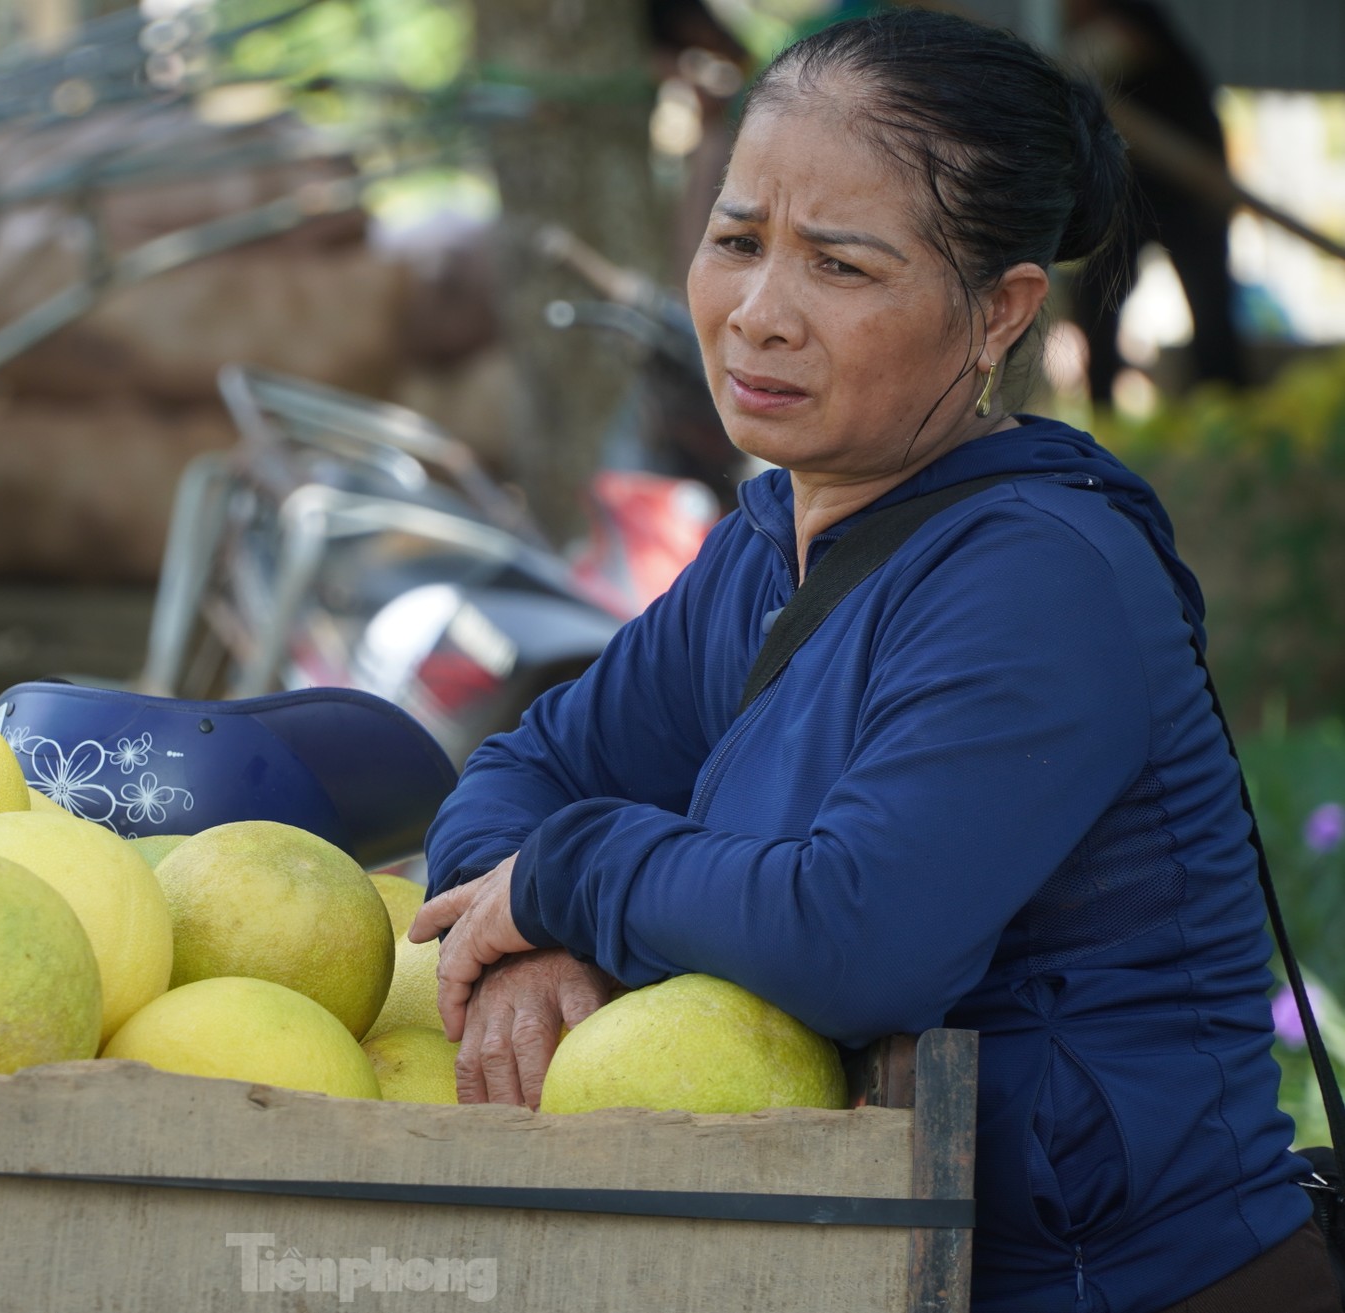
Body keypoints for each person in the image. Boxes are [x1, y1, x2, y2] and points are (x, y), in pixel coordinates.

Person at [412, 11, 1333, 1311]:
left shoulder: (1042, 578)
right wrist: (527, 951)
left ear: (998, 312)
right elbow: (522, 771)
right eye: (737, 242)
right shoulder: (766, 549)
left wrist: (566, 878)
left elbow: (859, 936)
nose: (757, 315)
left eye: (839, 267)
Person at [1063, 0, 1246, 402]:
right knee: (1096, 301)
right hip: (1132, 194)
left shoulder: (1135, 18)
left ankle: (1226, 407)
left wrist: (1053, 64)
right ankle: (1102, 407)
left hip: (1190, 191)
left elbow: (1100, 56)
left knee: (1209, 310)